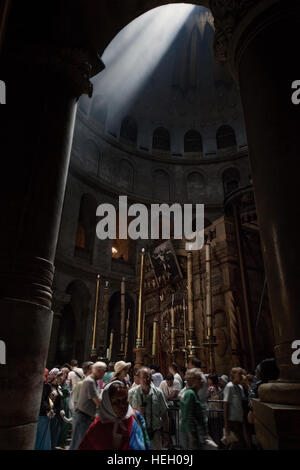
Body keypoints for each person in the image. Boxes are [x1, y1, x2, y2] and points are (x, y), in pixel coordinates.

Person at [78, 381, 151, 450]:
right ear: (107, 404)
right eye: (116, 402)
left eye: (125, 399)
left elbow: (147, 443)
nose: (122, 405)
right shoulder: (98, 426)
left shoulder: (136, 417)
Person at [128, 367, 169, 450]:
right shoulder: (132, 393)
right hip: (138, 434)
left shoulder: (158, 393)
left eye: (148, 377)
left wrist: (166, 433)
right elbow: (126, 415)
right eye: (143, 377)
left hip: (155, 434)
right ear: (139, 379)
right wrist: (136, 412)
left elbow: (164, 415)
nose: (146, 380)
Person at [69, 361, 107, 450]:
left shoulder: (94, 381)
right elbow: (97, 401)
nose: (104, 374)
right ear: (98, 371)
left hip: (87, 417)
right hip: (82, 417)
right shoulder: (89, 381)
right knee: (78, 444)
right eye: (103, 371)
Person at [180, 368, 209, 450]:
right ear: (193, 381)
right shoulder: (190, 394)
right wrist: (191, 437)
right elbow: (188, 416)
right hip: (191, 435)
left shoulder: (194, 393)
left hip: (195, 434)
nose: (202, 381)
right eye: (199, 379)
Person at [223, 367, 248, 450]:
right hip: (232, 420)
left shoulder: (240, 387)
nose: (241, 376)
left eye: (242, 373)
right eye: (239, 374)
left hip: (240, 419)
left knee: (238, 443)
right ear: (233, 375)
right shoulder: (229, 387)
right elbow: (226, 405)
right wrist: (226, 424)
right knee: (238, 442)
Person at [35, 369, 53, 450]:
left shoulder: (44, 385)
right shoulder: (43, 386)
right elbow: (42, 400)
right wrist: (49, 409)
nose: (48, 376)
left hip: (42, 414)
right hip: (42, 415)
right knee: (41, 437)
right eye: (46, 375)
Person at [47, 368, 64, 450]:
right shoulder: (48, 386)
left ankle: (52, 447)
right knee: (51, 433)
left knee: (56, 433)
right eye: (59, 376)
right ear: (54, 376)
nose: (61, 378)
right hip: (51, 413)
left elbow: (60, 400)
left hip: (58, 413)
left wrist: (62, 409)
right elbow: (45, 400)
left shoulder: (58, 387)